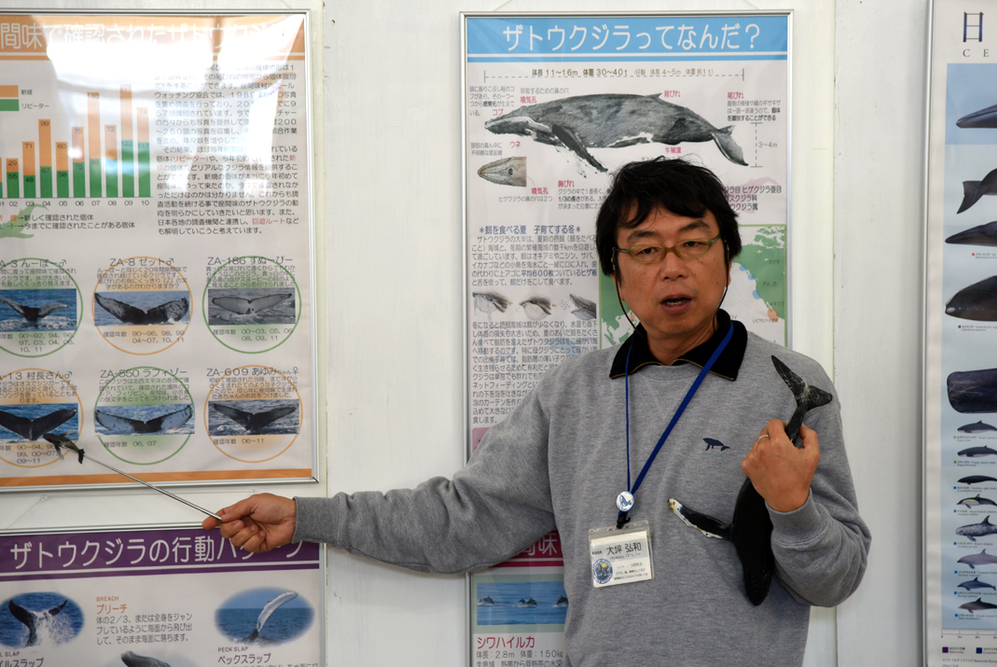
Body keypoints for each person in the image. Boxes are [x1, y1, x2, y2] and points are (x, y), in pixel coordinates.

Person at [205, 157, 870, 666]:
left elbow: (836, 579)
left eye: (694, 243)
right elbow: (463, 520)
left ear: (727, 257)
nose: (673, 267)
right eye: (646, 249)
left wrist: (792, 505)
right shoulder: (572, 393)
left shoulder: (791, 387)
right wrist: (305, 516)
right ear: (617, 274)